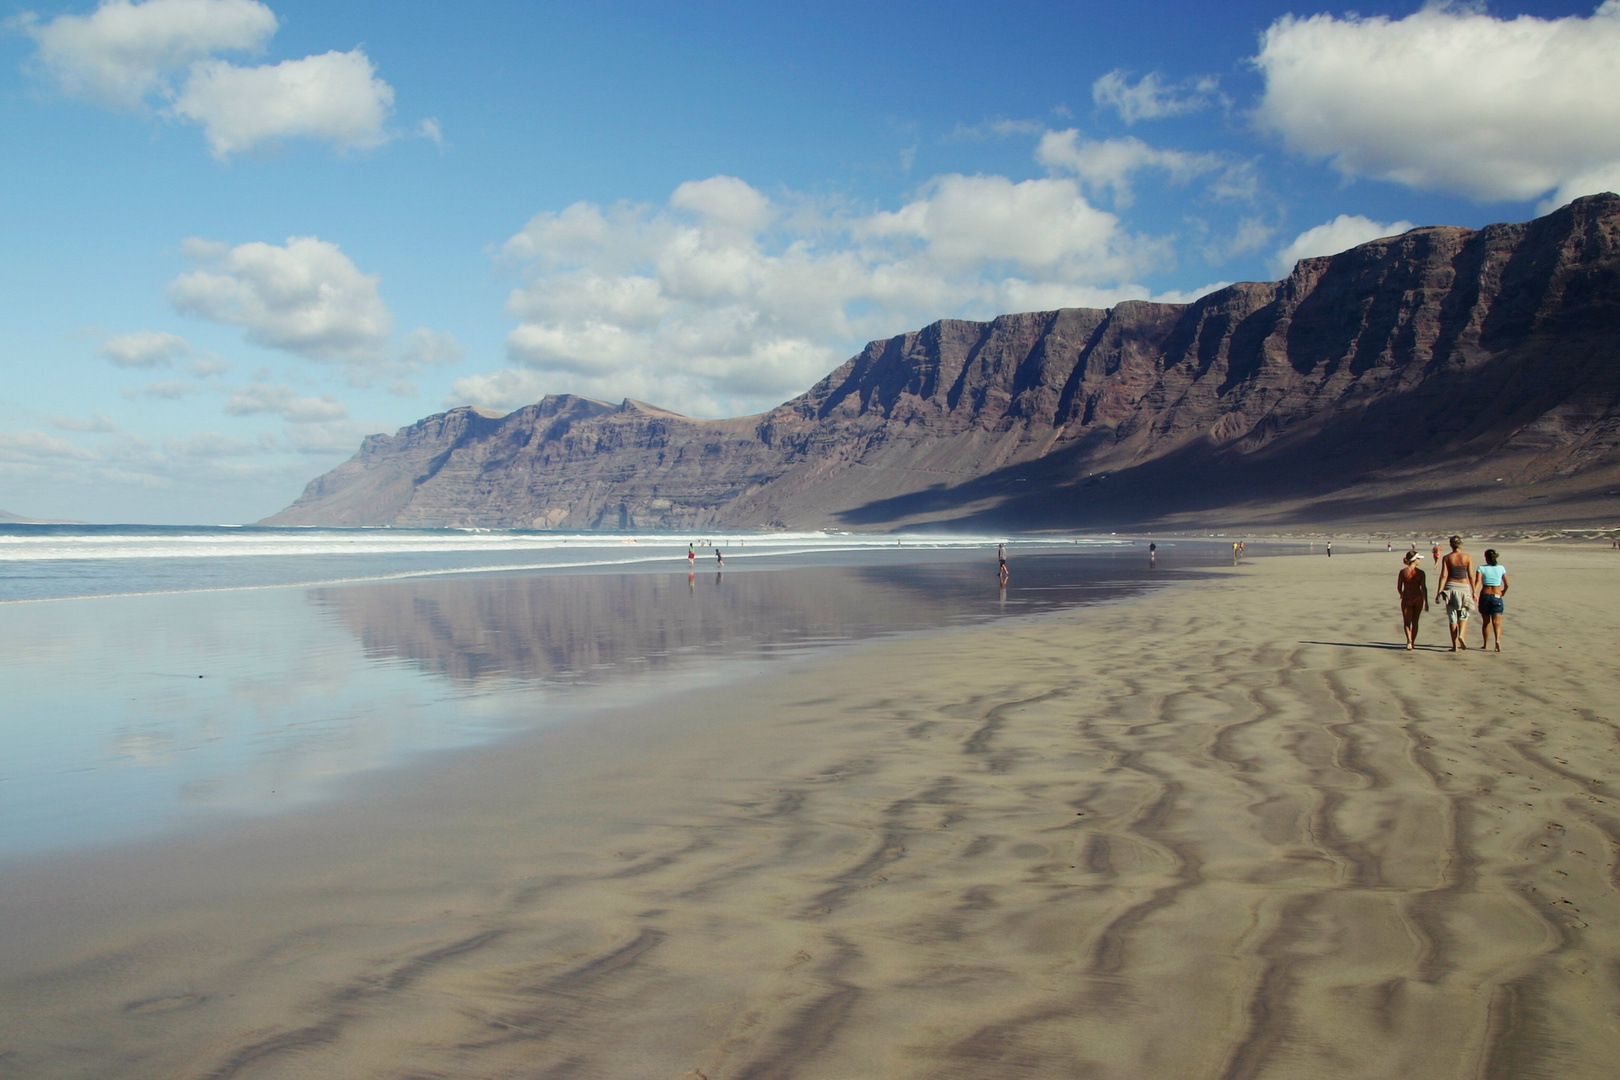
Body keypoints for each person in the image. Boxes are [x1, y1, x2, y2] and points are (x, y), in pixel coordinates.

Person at [1435, 535, 1476, 651]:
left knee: (1452, 616)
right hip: (1464, 587)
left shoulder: (1447, 558)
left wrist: (1439, 592)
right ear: (1461, 544)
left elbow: (1443, 576)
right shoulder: (1468, 557)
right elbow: (1471, 576)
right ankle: (1462, 635)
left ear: (1450, 545)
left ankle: (1455, 646)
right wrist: (1474, 592)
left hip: (1450, 587)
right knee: (1463, 614)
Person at [1476, 548, 1509, 651]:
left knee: (1486, 622)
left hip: (1485, 594)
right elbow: (1507, 584)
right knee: (1497, 622)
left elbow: (1478, 582)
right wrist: (1503, 591)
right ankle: (1497, 641)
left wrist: (1474, 593)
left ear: (1486, 558)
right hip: (1497, 594)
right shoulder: (1501, 568)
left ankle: (1486, 644)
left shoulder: (1481, 568)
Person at [1396, 551, 1429, 650]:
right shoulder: (1421, 573)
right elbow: (1423, 588)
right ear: (1414, 560)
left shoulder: (1403, 572)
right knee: (1415, 621)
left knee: (1407, 622)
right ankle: (1412, 642)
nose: (1419, 561)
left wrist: (1401, 594)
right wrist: (1426, 601)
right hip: (1418, 597)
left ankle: (1408, 641)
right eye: (1418, 559)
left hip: (1407, 597)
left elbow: (1399, 587)